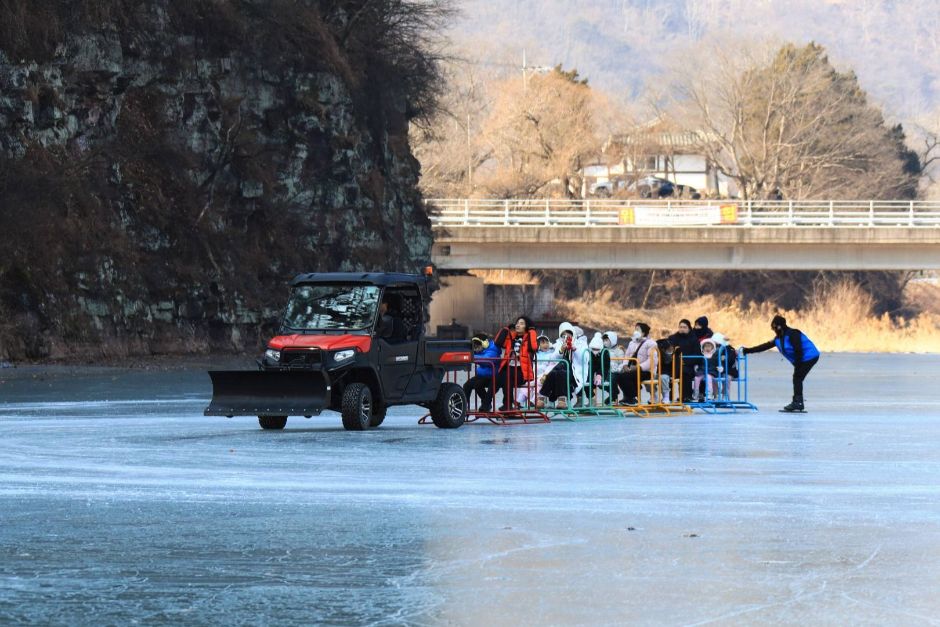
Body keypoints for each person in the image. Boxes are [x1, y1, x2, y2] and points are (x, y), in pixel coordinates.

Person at [740, 315, 819, 412]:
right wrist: (748, 350)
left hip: (810, 356)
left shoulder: (793, 334)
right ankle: (798, 402)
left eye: (774, 328)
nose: (773, 330)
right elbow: (764, 346)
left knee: (797, 377)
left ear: (779, 327)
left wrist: (798, 365)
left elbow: (798, 349)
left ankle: (798, 403)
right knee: (797, 378)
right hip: (802, 359)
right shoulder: (778, 339)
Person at [494, 315, 538, 411]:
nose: (518, 325)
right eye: (517, 323)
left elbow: (533, 348)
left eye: (521, 323)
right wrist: (506, 329)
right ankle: (487, 404)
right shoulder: (511, 338)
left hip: (522, 373)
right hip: (509, 369)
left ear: (526, 327)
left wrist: (531, 331)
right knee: (497, 378)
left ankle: (507, 404)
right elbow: (498, 343)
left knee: (505, 377)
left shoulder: (529, 338)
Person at [538, 322, 583, 410]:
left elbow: (584, 359)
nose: (566, 337)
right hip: (560, 370)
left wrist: (575, 349)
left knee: (558, 369)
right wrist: (561, 350)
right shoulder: (559, 344)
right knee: (557, 372)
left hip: (574, 372)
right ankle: (561, 400)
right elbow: (553, 358)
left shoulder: (579, 343)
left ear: (572, 333)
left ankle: (542, 396)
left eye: (568, 334)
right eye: (563, 335)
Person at [615, 322, 658, 405]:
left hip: (646, 371)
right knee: (619, 376)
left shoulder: (651, 343)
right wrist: (625, 365)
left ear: (643, 333)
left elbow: (652, 360)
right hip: (632, 369)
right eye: (635, 329)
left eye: (638, 329)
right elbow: (627, 356)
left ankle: (631, 398)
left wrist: (639, 367)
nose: (635, 331)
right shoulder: (632, 343)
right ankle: (630, 397)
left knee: (626, 377)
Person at [463, 333, 501, 412]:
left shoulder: (493, 349)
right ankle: (463, 406)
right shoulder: (479, 352)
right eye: (474, 347)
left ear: (484, 343)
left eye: (477, 347)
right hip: (483, 375)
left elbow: (487, 360)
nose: (475, 349)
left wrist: (471, 357)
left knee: (487, 387)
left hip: (494, 376)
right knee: (467, 385)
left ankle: (486, 404)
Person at [668, 319, 700, 402]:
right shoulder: (672, 338)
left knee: (685, 373)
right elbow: (668, 352)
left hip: (688, 365)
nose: (682, 329)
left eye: (684, 327)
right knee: (667, 374)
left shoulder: (694, 339)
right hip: (674, 365)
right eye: (680, 327)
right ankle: (668, 397)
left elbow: (697, 355)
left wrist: (685, 360)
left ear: (689, 328)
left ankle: (685, 396)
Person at [587, 333, 611, 405]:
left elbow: (605, 366)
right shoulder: (589, 352)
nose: (595, 351)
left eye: (597, 349)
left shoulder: (605, 352)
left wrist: (599, 375)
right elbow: (589, 365)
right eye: (593, 349)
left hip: (603, 370)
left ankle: (613, 394)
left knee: (603, 383)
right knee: (586, 380)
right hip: (592, 369)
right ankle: (591, 398)